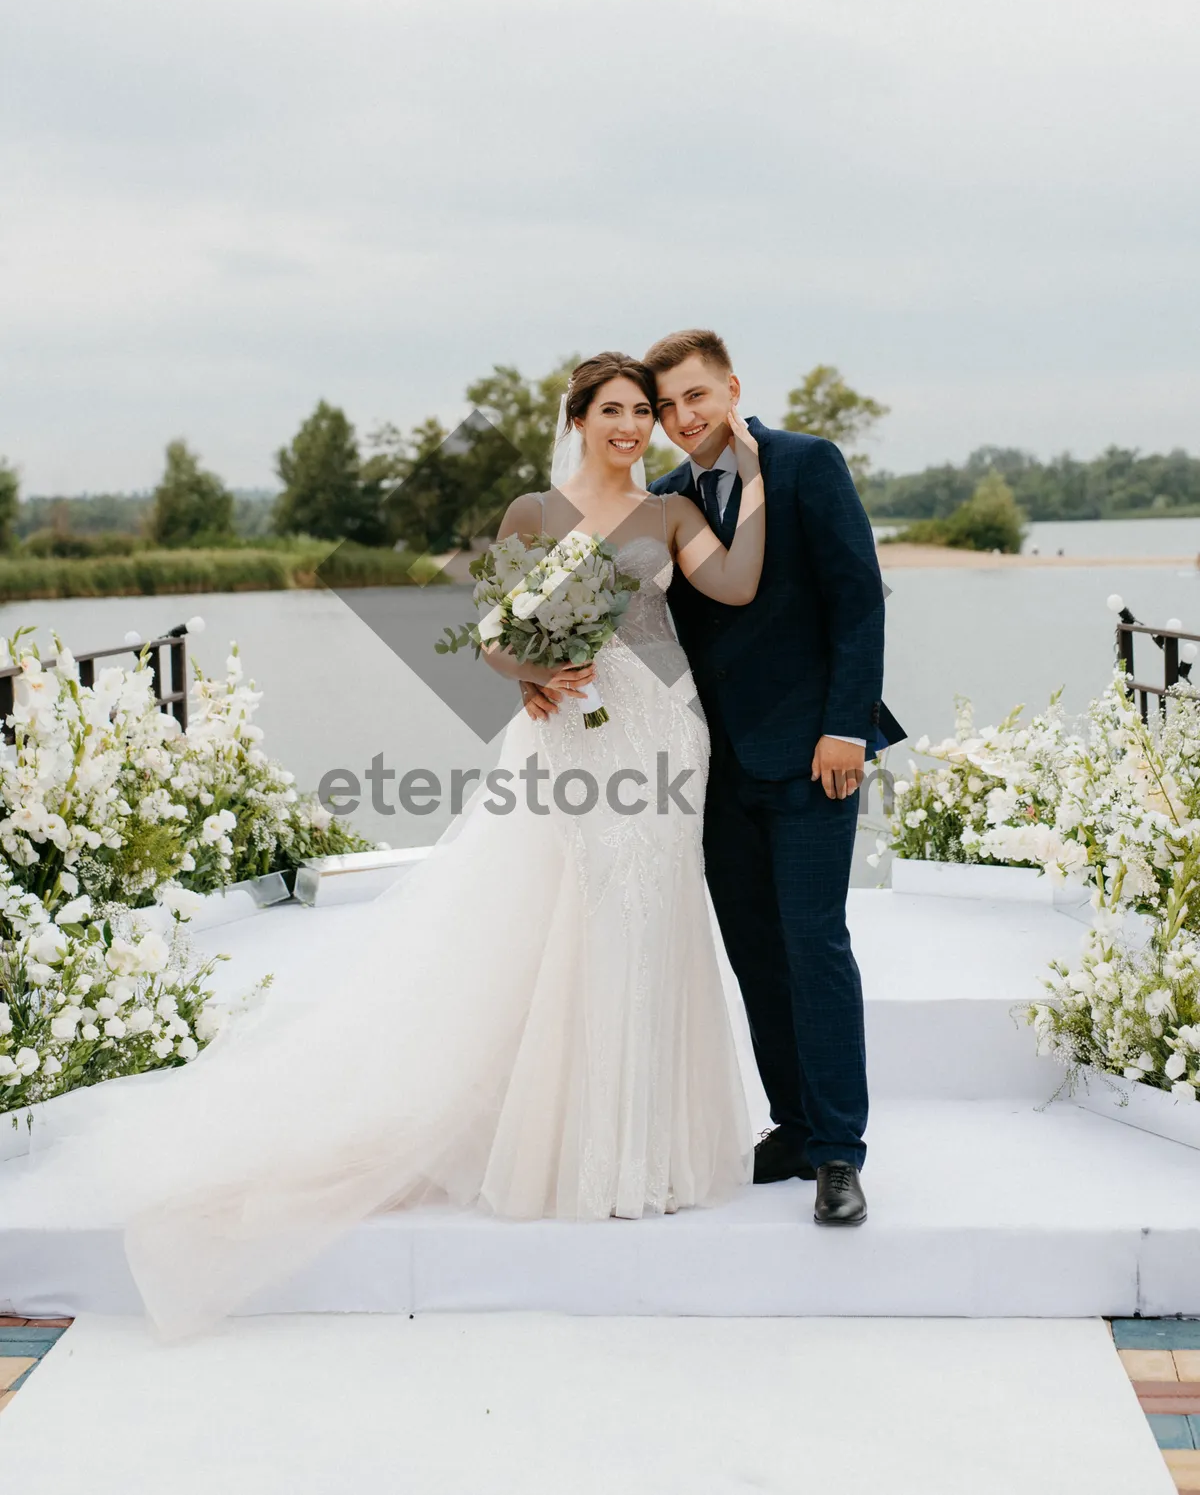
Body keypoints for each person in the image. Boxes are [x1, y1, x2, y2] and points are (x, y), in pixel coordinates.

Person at [21, 353, 766, 1340]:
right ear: (580, 418)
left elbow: (740, 585)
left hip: (668, 733)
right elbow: (494, 633)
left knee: (654, 921)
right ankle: (578, 1149)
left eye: (645, 412)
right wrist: (527, 674)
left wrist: (750, 476)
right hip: (572, 729)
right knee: (582, 920)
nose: (633, 426)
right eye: (616, 411)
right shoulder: (531, 514)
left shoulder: (673, 513)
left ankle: (649, 1154)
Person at [538, 329, 904, 1227]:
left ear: (731, 387)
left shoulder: (806, 462)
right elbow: (611, 624)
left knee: (813, 942)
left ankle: (837, 1155)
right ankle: (791, 1123)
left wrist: (845, 726)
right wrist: (536, 669)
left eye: (695, 396)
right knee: (753, 949)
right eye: (665, 406)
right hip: (704, 765)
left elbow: (857, 599)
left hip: (816, 753)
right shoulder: (661, 499)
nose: (681, 417)